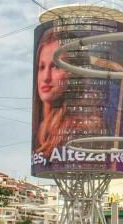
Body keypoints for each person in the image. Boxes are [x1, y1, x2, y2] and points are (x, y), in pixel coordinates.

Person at [32, 31, 109, 160]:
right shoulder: (38, 130)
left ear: (74, 73)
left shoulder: (82, 129)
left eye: (55, 66)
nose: (46, 77)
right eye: (41, 67)